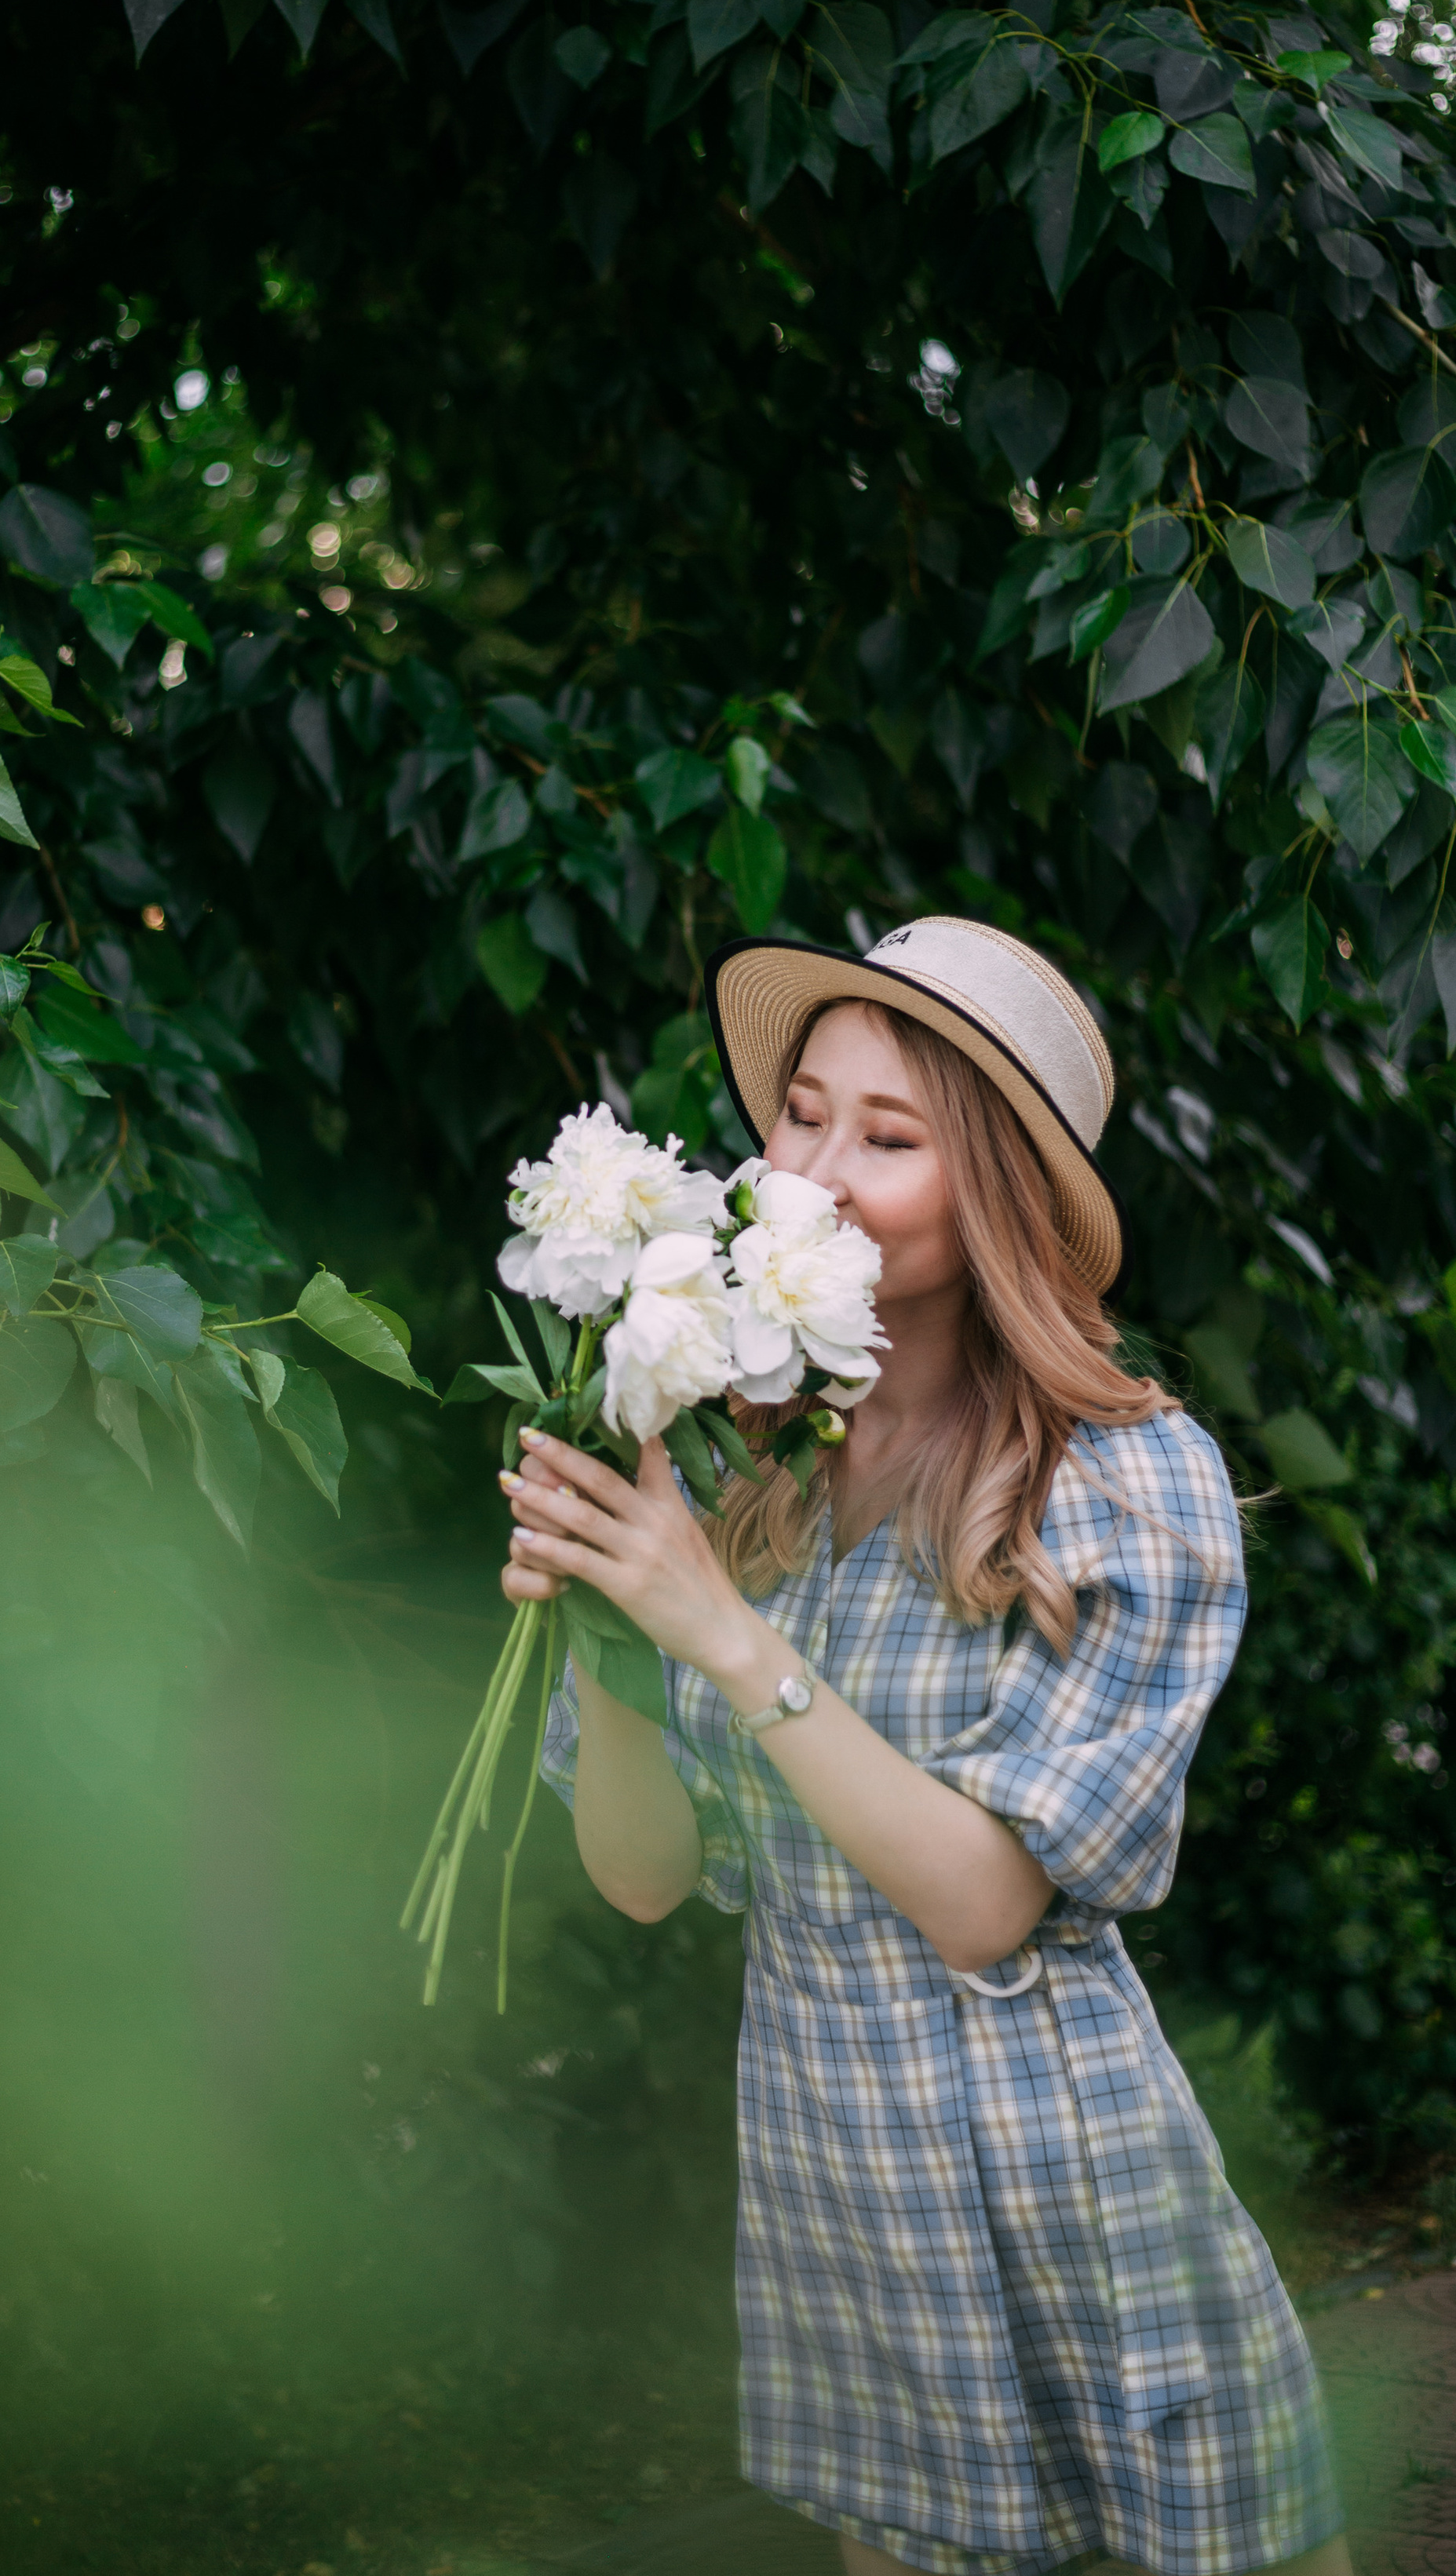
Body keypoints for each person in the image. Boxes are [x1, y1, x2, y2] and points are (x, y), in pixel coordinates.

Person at [499, 918, 1347, 2576]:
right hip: (838, 2190)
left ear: (995, 1206)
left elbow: (981, 1907)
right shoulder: (743, 1482)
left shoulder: (1117, 1484)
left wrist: (719, 1633)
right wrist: (607, 1606)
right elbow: (645, 1876)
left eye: (887, 1141)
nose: (811, 1171)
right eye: (800, 1114)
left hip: (1067, 2178)